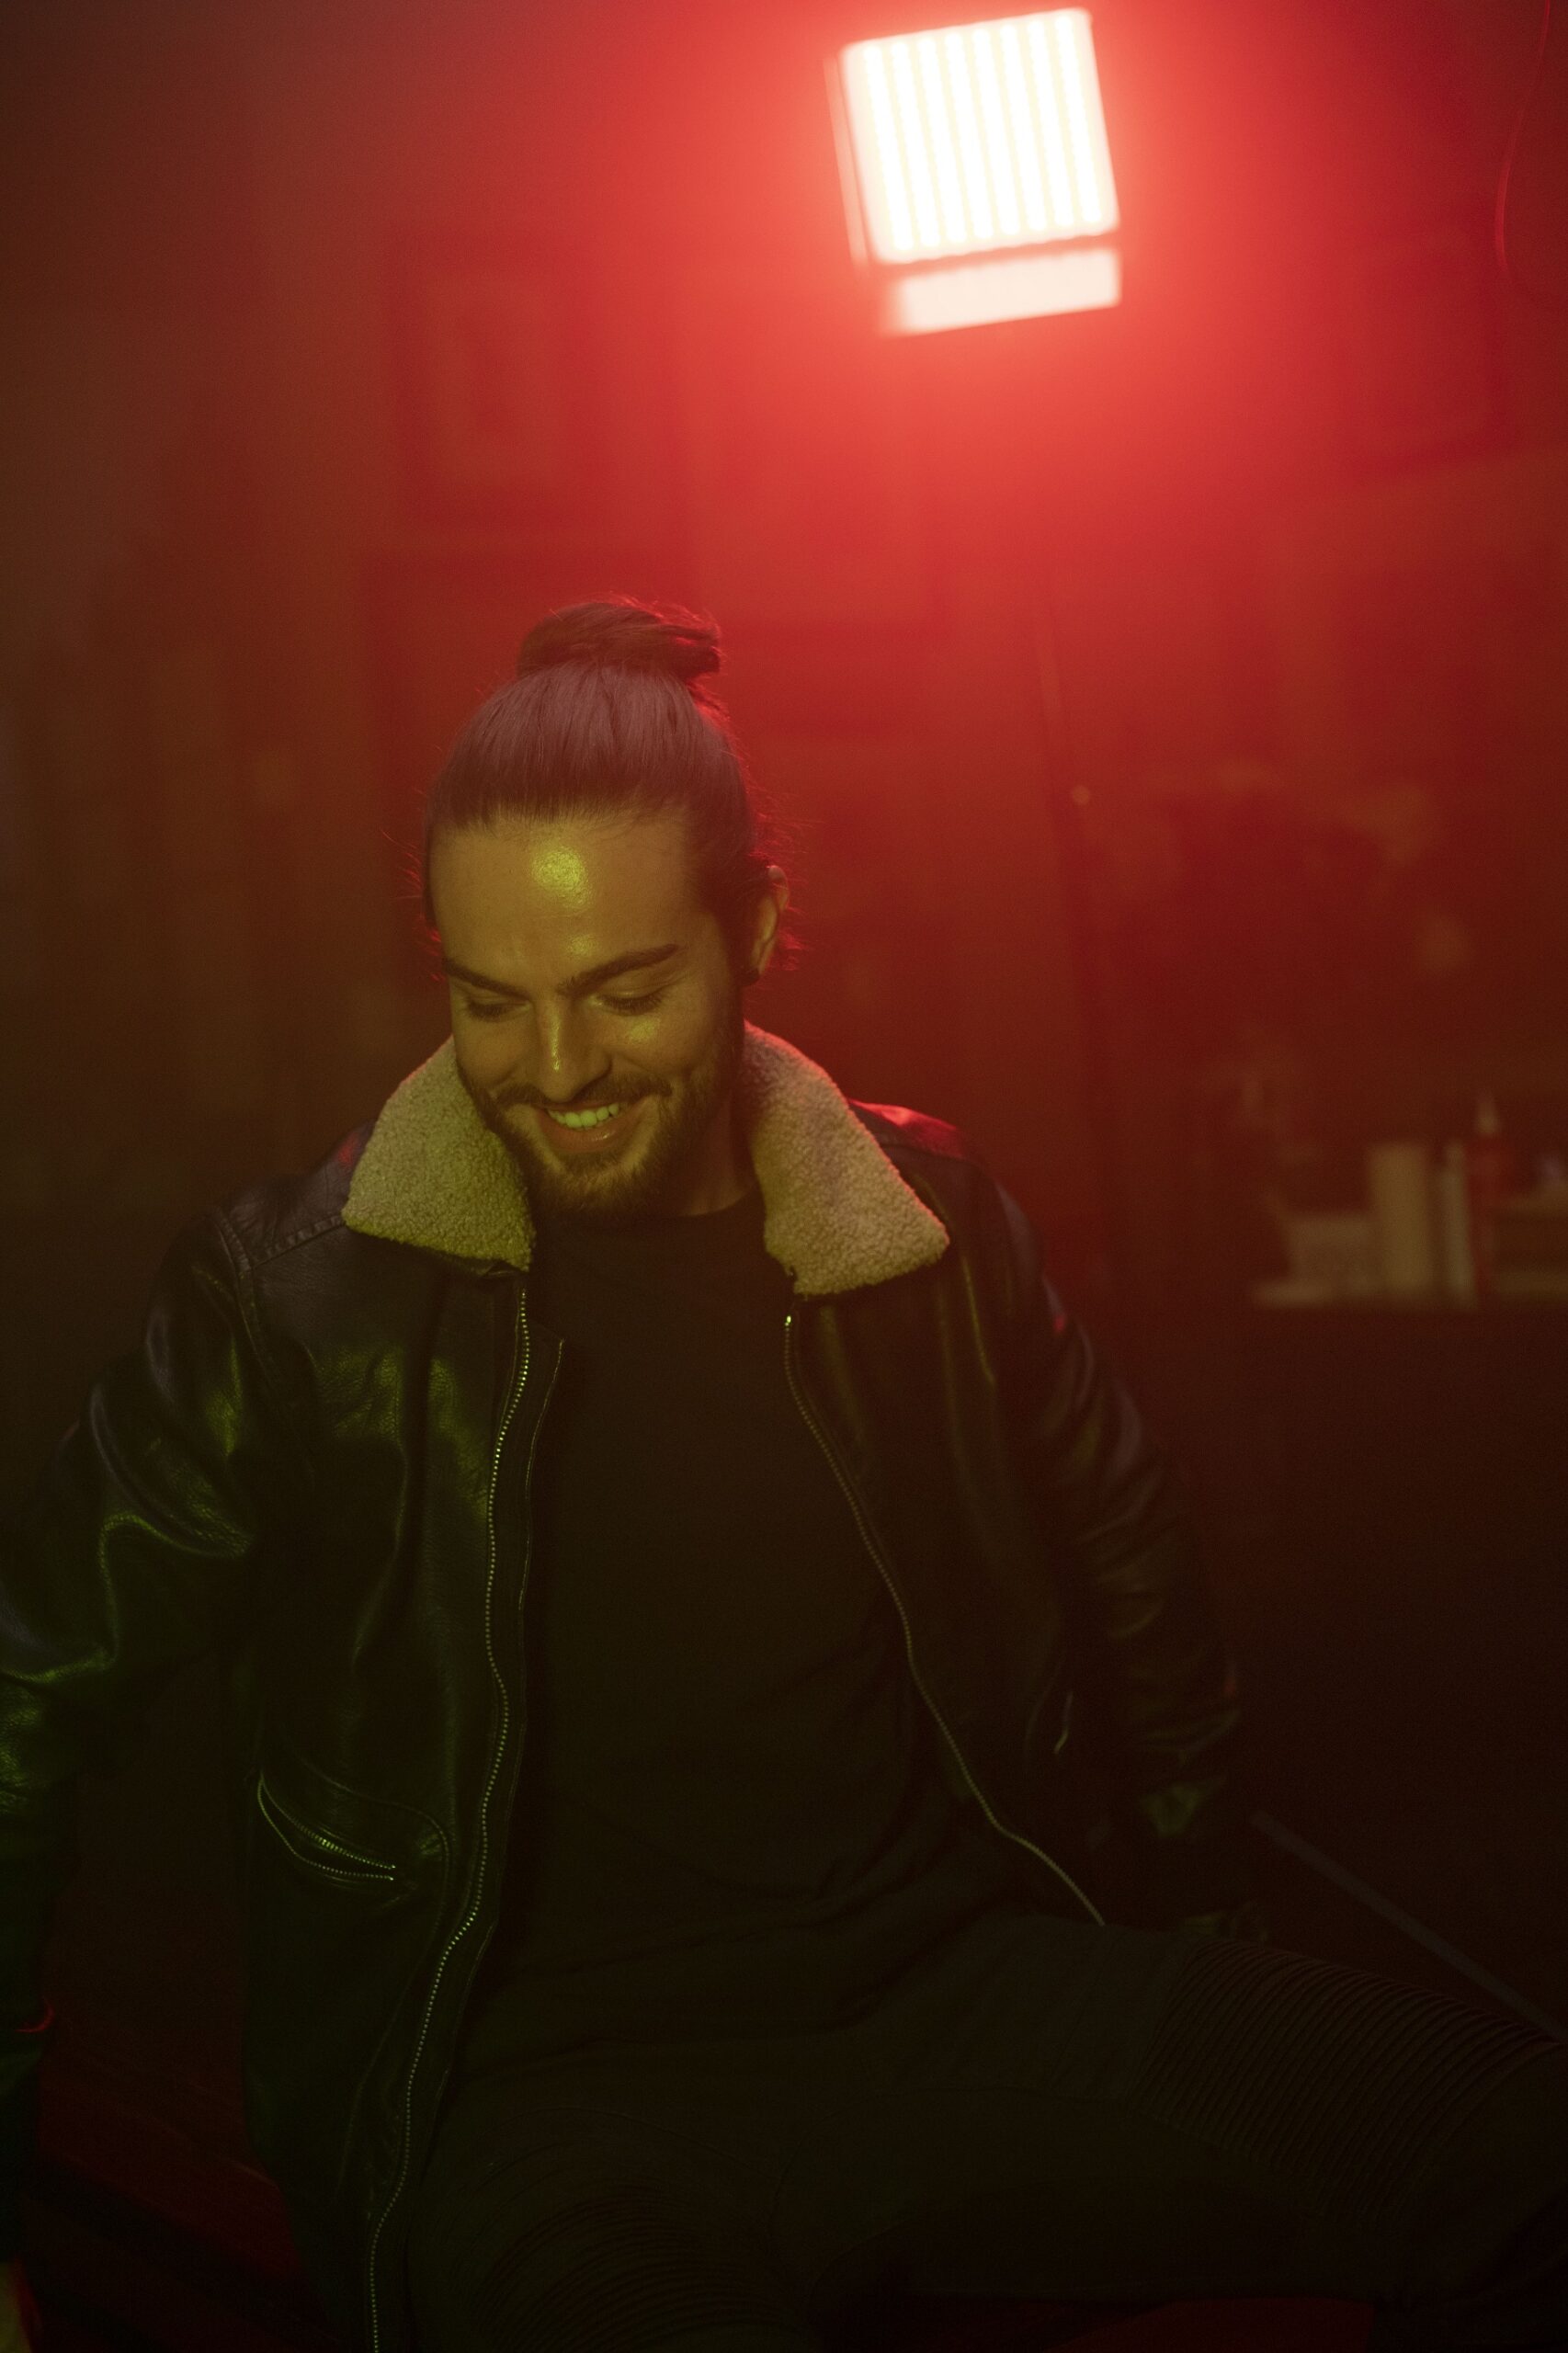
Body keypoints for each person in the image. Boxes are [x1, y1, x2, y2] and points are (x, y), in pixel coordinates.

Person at [1, 599, 1563, 2353]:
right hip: (549, 2110)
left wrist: (1197, 1958)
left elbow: (1139, 1584)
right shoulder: (293, 1298)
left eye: (625, 991)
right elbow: (24, 1690)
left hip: (956, 1998)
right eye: (490, 1002)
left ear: (753, 928)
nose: (557, 1071)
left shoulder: (927, 1230)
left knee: (1525, 2153)